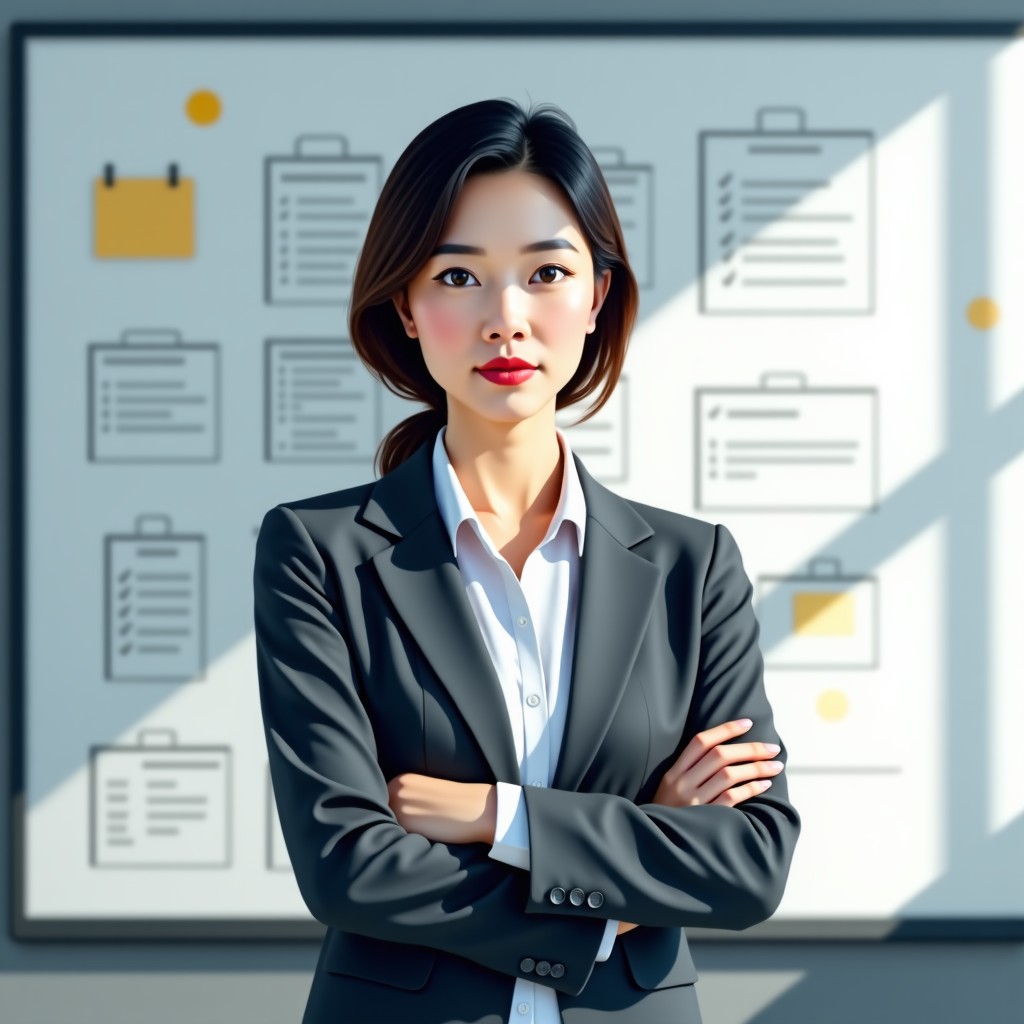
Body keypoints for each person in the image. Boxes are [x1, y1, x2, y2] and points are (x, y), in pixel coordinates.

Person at [253, 97, 800, 1024]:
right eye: (458, 276)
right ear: (407, 307)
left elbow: (750, 864)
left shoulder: (691, 566)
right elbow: (348, 864)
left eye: (547, 272)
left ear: (597, 297)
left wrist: (494, 816)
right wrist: (629, 873)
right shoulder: (320, 553)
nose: (506, 318)